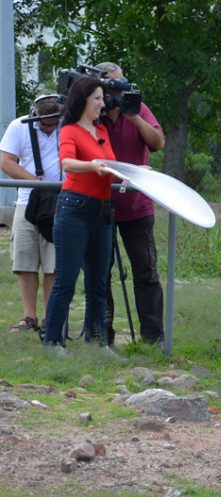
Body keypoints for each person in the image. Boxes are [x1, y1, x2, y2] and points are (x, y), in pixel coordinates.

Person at [94, 61, 166, 346]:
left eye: (121, 84)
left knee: (145, 270)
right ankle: (103, 337)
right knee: (100, 272)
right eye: (112, 86)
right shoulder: (91, 112)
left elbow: (158, 143)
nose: (117, 91)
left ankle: (153, 338)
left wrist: (133, 116)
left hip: (136, 205)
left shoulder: (137, 107)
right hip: (99, 204)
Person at [43, 77, 116, 348]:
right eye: (97, 98)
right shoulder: (70, 130)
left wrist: (133, 173)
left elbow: (110, 166)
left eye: (102, 98)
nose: (102, 103)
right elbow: (68, 163)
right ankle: (53, 342)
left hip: (103, 211)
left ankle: (97, 343)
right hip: (75, 209)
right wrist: (93, 165)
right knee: (67, 280)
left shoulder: (102, 132)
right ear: (83, 100)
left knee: (99, 282)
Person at [0, 94, 64, 334]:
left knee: (53, 263)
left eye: (53, 123)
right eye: (44, 123)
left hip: (59, 200)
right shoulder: (19, 126)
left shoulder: (66, 126)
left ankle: (50, 317)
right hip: (27, 200)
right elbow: (6, 161)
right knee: (25, 260)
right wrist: (35, 182)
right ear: (35, 114)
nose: (49, 127)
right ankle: (29, 316)